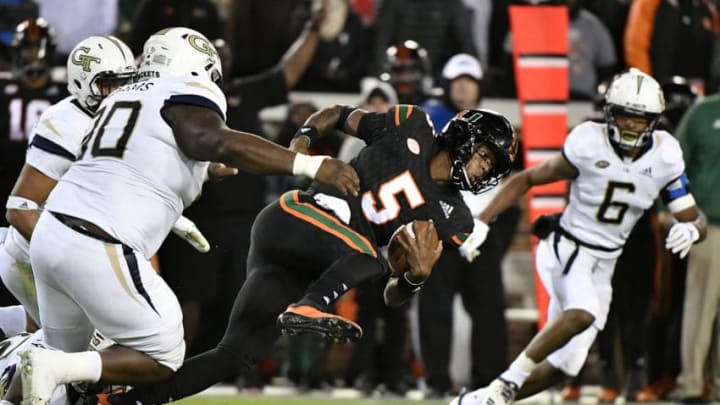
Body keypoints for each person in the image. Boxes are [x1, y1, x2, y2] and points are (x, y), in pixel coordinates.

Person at [17, 27, 359, 405]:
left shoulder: (122, 97)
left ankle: (27, 383)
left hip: (51, 235)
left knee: (63, 381)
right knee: (163, 353)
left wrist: (205, 172)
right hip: (98, 241)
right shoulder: (181, 89)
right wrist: (309, 165)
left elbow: (135, 160)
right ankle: (53, 367)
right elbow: (211, 139)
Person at [105, 104, 519, 405]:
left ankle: (126, 402)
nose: (485, 170)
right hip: (300, 216)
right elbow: (338, 114)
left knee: (234, 356)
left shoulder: (454, 218)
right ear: (465, 137)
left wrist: (415, 277)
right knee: (369, 255)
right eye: (485, 156)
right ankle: (308, 308)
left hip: (310, 263)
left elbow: (393, 296)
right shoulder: (411, 124)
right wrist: (302, 144)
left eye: (493, 166)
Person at [450, 68, 707, 405]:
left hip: (606, 260)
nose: (631, 125)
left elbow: (694, 217)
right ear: (610, 114)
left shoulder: (666, 154)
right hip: (567, 246)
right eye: (626, 116)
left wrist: (691, 229)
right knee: (582, 311)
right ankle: (506, 383)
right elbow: (526, 179)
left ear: (655, 120)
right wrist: (482, 222)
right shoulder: (589, 142)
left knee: (565, 365)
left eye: (640, 118)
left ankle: (477, 401)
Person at [0, 35, 210, 334]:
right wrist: (73, 251)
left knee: (61, 338)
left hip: (78, 243)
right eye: (110, 84)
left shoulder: (123, 118)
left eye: (128, 82)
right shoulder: (65, 121)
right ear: (83, 82)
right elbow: (19, 209)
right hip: (34, 253)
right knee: (78, 345)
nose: (120, 92)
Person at [671, 84, 720, 403]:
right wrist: (670, 208)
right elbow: (674, 162)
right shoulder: (703, 113)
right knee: (700, 308)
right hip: (709, 225)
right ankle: (691, 383)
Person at [0, 18, 67, 229]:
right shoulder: (3, 88)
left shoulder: (65, 93)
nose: (33, 55)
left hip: (45, 181)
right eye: (28, 48)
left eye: (38, 48)